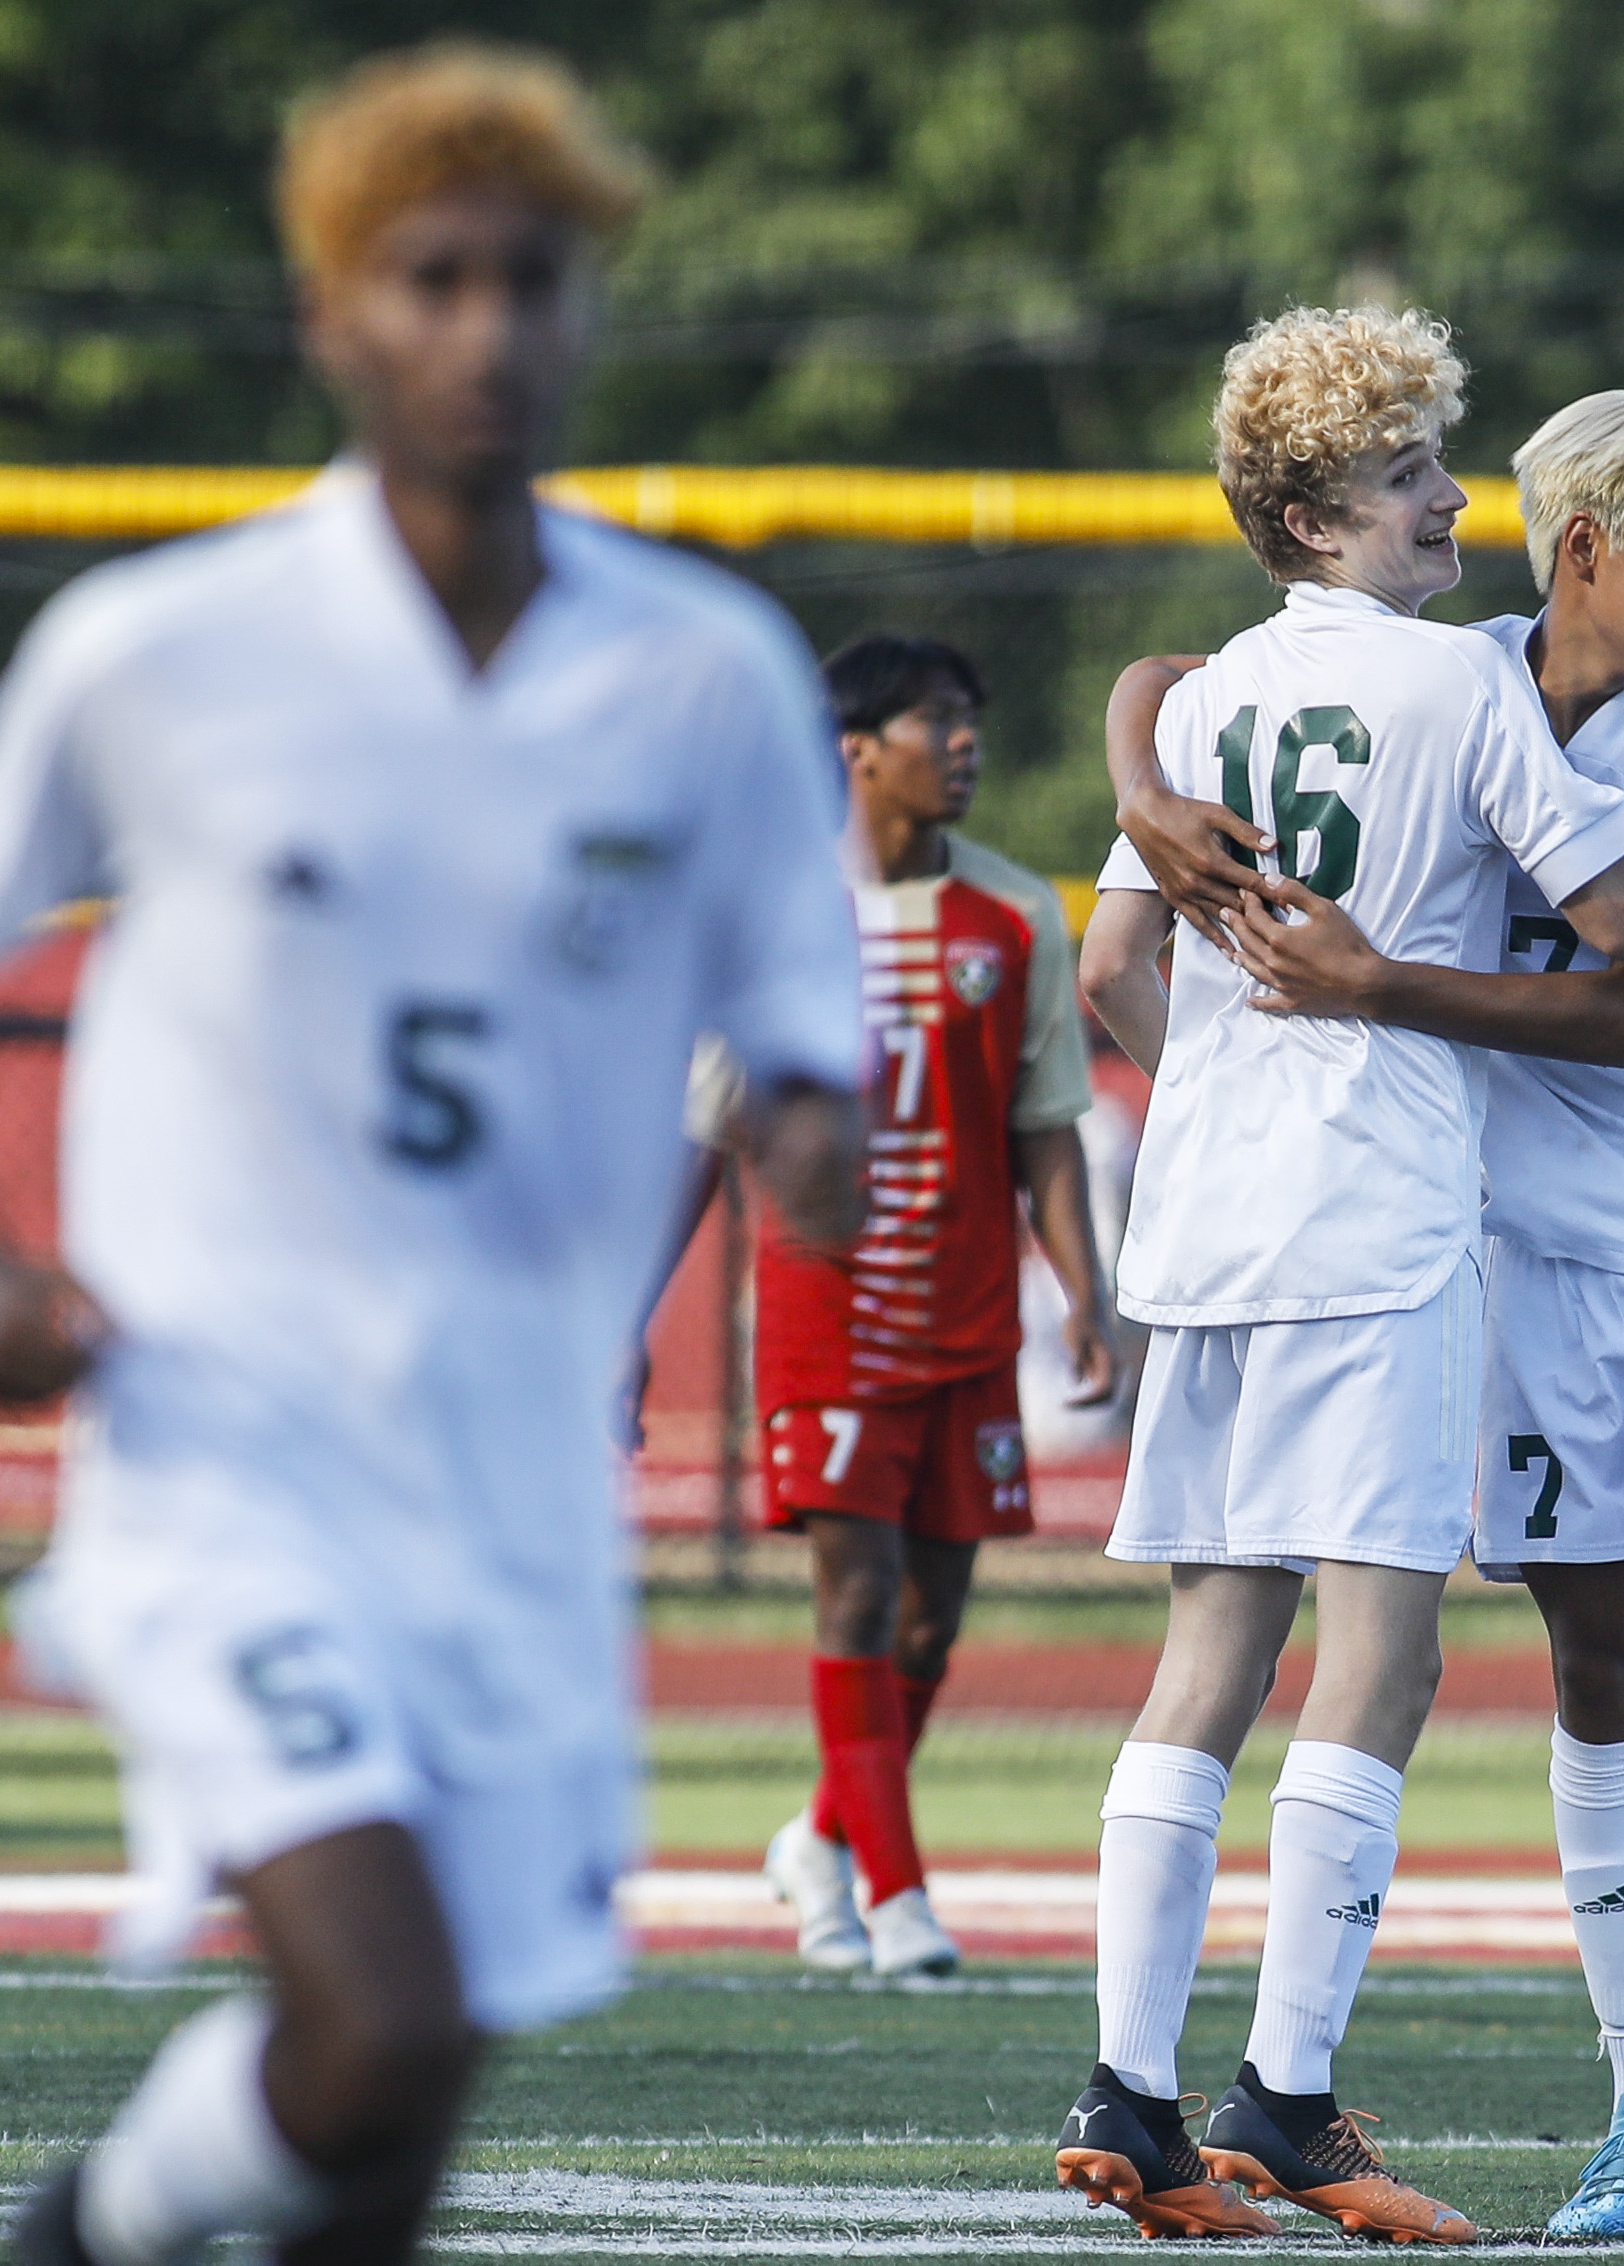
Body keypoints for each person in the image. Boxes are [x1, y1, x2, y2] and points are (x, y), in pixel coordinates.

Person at [0, 46, 866, 2266]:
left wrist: (807, 1136)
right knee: (380, 2013)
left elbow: (805, 1033)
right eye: (432, 282)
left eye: (533, 280)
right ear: (332, 316)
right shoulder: (163, 644)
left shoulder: (701, 673)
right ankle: (89, 2229)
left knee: (388, 2134)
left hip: (512, 1473)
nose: (488, 330)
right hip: (228, 1451)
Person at [1053, 309, 1624, 2246]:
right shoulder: (1457, 679)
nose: (1449, 501)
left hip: (1241, 1208)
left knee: (1221, 1652)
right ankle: (1313, 2091)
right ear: (1336, 508)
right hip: (1414, 1220)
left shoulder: (1229, 695)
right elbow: (1617, 920)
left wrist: (1161, 819)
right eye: (1417, 474)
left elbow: (1106, 954)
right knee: (1396, 1654)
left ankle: (1134, 2087)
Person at [730, 632, 1113, 1981]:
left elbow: (1045, 1127)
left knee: (929, 1620)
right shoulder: (776, 917)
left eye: (971, 720)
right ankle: (898, 1897)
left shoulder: (1013, 915)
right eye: (935, 721)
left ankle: (821, 1841)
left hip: (964, 1319)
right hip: (828, 1314)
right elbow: (699, 1134)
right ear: (857, 750)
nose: (965, 742)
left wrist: (1086, 1290)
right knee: (857, 1591)